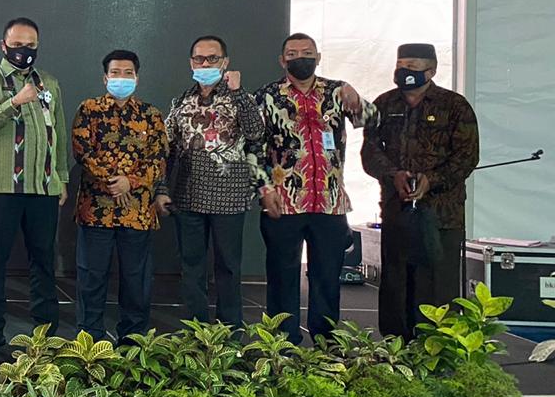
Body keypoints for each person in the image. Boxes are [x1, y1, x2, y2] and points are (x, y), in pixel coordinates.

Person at [252, 33, 374, 342]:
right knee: (282, 276)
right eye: (292, 53)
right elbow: (250, 147)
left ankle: (325, 341)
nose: (300, 57)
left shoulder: (337, 91)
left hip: (330, 203)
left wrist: (358, 102)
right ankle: (281, 342)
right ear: (282, 60)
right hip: (284, 201)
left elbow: (372, 120)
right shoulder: (266, 96)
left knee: (327, 277)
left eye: (307, 52)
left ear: (318, 57)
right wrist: (263, 189)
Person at [361, 43, 479, 340]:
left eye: (413, 67)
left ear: (432, 70)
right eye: (401, 65)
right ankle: (394, 349)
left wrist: (432, 180)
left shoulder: (454, 105)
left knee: (438, 286)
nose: (405, 72)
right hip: (396, 210)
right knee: (396, 284)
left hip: (441, 214)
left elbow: (467, 156)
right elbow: (370, 152)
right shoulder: (384, 105)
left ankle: (437, 352)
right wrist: (393, 175)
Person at [0, 17, 69, 355]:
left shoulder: (50, 83)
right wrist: (15, 101)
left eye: (30, 45)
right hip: (0, 189)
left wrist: (62, 178)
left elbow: (60, 134)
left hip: (43, 188)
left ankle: (45, 335)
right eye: (17, 45)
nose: (23, 51)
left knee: (43, 262)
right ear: (4, 46)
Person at [156, 35, 264, 327]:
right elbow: (167, 148)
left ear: (225, 62)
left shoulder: (241, 97)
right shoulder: (181, 102)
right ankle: (196, 330)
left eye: (212, 59)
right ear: (191, 62)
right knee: (192, 267)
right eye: (199, 59)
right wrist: (162, 188)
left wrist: (238, 91)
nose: (204, 64)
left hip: (228, 198)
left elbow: (256, 132)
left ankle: (230, 330)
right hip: (188, 197)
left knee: (228, 267)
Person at [70, 50, 169, 342]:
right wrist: (113, 182)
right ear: (105, 77)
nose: (121, 78)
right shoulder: (88, 110)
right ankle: (90, 339)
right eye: (115, 73)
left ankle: (133, 340)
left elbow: (159, 157)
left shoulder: (150, 115)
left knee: (136, 281)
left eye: (128, 73)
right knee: (91, 278)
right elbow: (81, 152)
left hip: (137, 212)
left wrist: (131, 182)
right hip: (96, 209)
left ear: (137, 77)